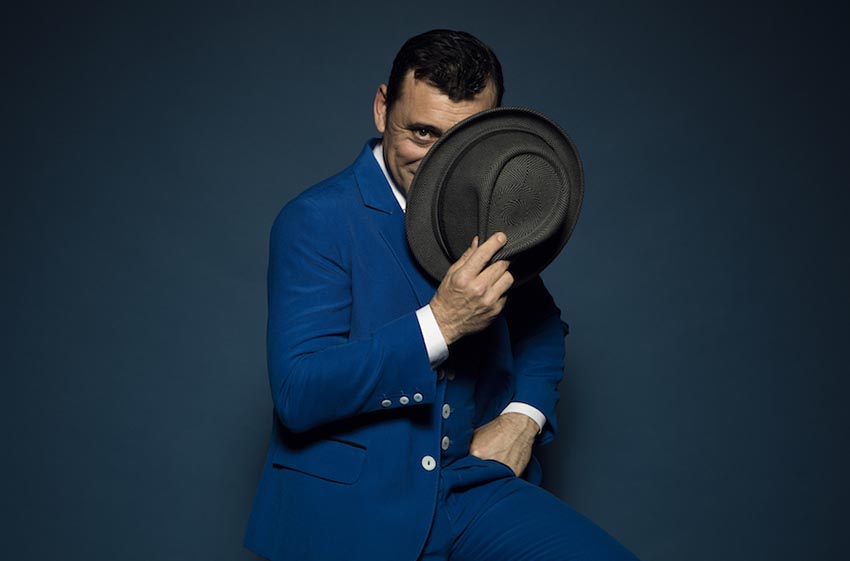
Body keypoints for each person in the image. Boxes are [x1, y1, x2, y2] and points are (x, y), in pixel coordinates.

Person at [244, 29, 639, 561]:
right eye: (423, 134)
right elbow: (298, 393)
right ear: (383, 108)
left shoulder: (487, 207)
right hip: (355, 506)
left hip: (471, 489)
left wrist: (524, 417)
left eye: (463, 141)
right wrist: (441, 324)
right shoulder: (315, 220)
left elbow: (541, 326)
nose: (440, 163)